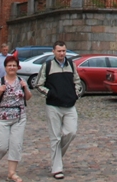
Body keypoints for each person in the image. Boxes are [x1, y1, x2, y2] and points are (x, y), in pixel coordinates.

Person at [35, 41, 82, 180]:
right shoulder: (48, 65)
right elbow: (38, 84)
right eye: (59, 51)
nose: (62, 53)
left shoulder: (71, 65)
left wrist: (76, 94)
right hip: (53, 106)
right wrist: (50, 94)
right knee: (55, 137)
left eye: (64, 51)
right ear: (53, 51)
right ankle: (57, 168)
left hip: (69, 105)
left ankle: (56, 157)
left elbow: (77, 81)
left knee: (71, 132)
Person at [0, 55, 32, 182]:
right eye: (9, 65)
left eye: (14, 65)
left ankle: (12, 172)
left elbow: (28, 97)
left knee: (16, 145)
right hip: (2, 118)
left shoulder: (21, 81)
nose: (12, 67)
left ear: (18, 67)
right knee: (2, 145)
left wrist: (25, 87)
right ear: (5, 67)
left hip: (19, 117)